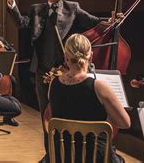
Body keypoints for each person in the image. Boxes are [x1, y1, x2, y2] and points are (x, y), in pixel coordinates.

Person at [3, 0, 105, 163]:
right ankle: (51, 155)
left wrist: (112, 19)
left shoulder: (73, 8)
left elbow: (95, 22)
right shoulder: (37, 10)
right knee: (46, 117)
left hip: (67, 72)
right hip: (44, 73)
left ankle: (69, 155)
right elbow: (21, 23)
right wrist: (11, 2)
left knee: (67, 114)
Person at [48, 34, 130, 163]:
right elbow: (125, 123)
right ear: (90, 56)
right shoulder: (99, 87)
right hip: (94, 158)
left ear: (66, 57)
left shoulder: (54, 84)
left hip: (63, 157)